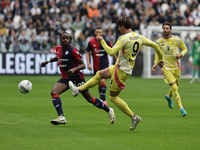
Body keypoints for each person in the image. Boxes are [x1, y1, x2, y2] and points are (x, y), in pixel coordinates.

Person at [69, 16, 164, 131]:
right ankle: (78, 90)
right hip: (120, 66)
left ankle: (134, 117)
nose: (119, 29)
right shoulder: (139, 36)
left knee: (113, 98)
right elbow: (156, 46)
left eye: (119, 27)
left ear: (123, 26)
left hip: (122, 71)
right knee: (99, 74)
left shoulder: (123, 38)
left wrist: (102, 41)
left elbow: (111, 52)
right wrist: (161, 59)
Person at [40, 32, 115, 125]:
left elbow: (83, 65)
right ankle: (61, 117)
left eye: (67, 38)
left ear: (70, 39)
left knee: (90, 99)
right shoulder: (58, 48)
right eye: (63, 38)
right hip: (66, 78)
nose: (65, 40)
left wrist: (74, 69)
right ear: (60, 39)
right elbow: (59, 56)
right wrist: (47, 61)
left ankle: (109, 110)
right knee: (54, 92)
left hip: (77, 78)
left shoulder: (73, 50)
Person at [152, 22, 188, 117]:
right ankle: (181, 108)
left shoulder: (177, 39)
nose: (165, 30)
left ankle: (168, 97)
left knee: (175, 87)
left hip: (176, 67)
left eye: (167, 28)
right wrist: (155, 63)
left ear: (170, 30)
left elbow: (185, 49)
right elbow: (157, 53)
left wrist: (181, 54)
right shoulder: (159, 41)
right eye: (164, 28)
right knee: (174, 87)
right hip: (166, 67)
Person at [86, 26, 117, 106]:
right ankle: (102, 98)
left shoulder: (106, 41)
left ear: (103, 33)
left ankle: (103, 99)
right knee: (99, 83)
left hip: (105, 65)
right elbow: (87, 52)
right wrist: (88, 63)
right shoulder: (91, 42)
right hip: (96, 66)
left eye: (100, 32)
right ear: (95, 33)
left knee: (103, 81)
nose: (98, 33)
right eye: (97, 32)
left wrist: (117, 61)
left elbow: (113, 51)